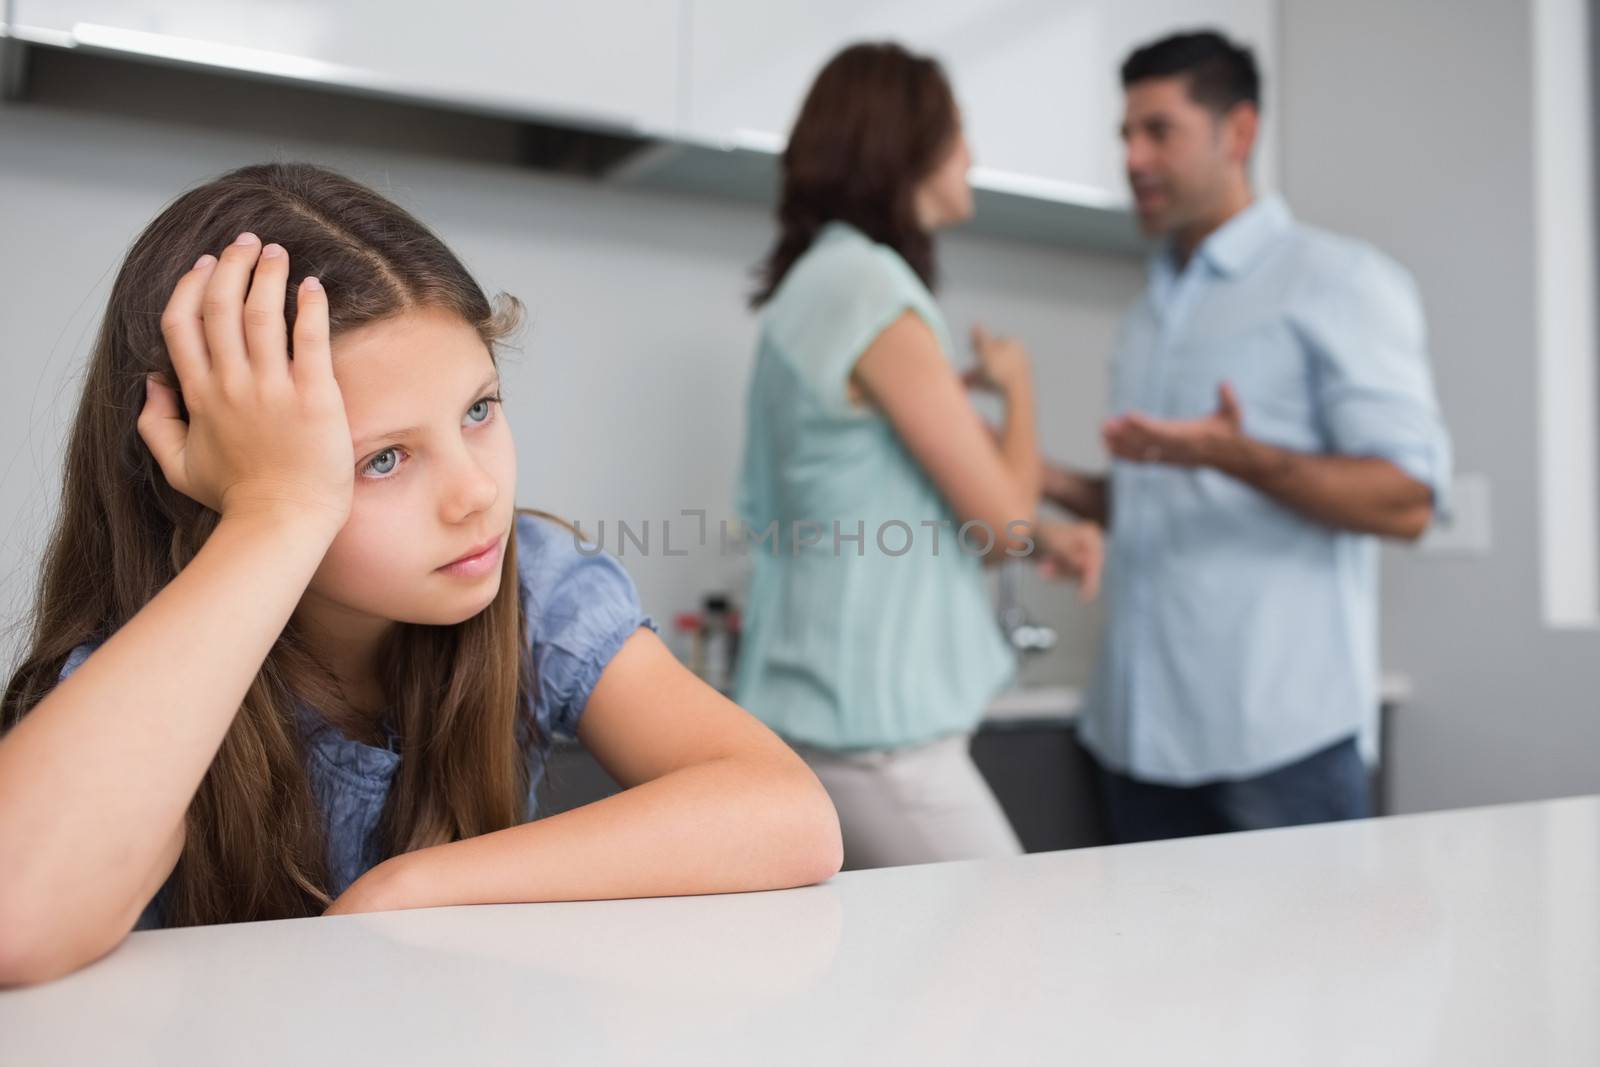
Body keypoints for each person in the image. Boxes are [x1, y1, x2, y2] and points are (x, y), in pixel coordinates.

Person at [0, 162, 842, 986]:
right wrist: (275, 515)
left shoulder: (536, 586)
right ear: (216, 481)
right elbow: (17, 915)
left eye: (479, 409)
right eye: (384, 459)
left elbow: (789, 815)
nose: (476, 494)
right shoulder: (148, 674)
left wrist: (413, 886)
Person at [1042, 32, 1452, 843]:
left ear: (1238, 133)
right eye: (1125, 135)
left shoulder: (1338, 281)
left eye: (1159, 131)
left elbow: (1408, 500)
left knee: (1312, 973)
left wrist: (1240, 455)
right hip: (1134, 741)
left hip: (1279, 748)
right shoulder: (1144, 317)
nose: (1133, 157)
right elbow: (1155, 502)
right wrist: (1036, 472)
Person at [734, 43, 1103, 870]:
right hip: (881, 730)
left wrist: (1057, 534)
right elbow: (1000, 523)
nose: (971, 154)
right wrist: (1019, 384)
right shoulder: (870, 289)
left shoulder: (818, 285)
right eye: (958, 131)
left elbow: (913, 480)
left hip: (830, 710)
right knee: (1018, 938)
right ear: (902, 146)